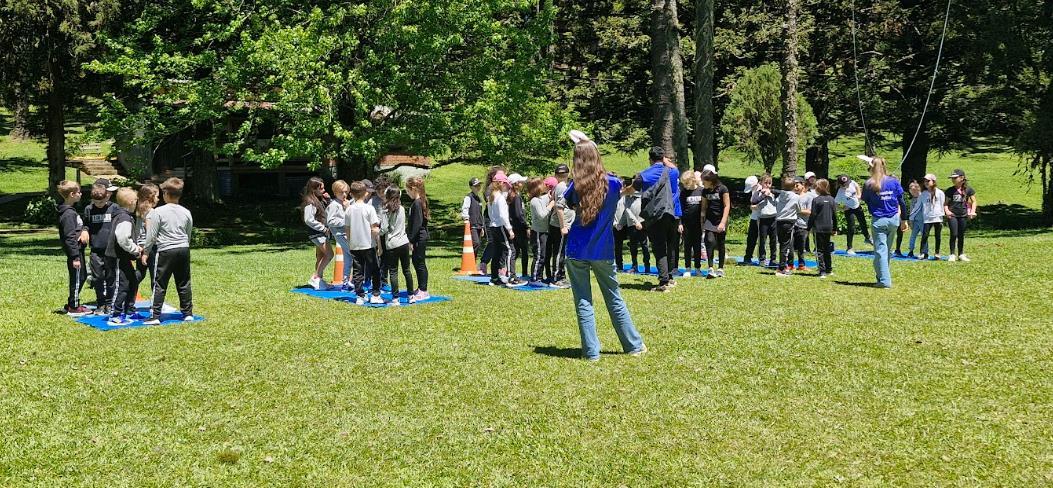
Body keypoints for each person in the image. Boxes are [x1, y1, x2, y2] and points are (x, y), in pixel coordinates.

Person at [562, 130, 646, 361]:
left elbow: (569, 204)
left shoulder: (576, 186)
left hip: (577, 248)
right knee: (614, 297)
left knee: (583, 300)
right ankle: (633, 345)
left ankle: (591, 352)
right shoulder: (614, 183)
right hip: (603, 249)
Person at [142, 177, 194, 324]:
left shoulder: (157, 212)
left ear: (165, 193)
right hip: (183, 249)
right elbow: (188, 232)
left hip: (165, 250)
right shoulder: (186, 212)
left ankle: (155, 316)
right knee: (184, 282)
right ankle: (188, 313)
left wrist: (146, 252)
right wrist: (184, 244)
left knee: (159, 283)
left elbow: (151, 235)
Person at [635, 146, 681, 292]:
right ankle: (670, 276)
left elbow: (635, 186)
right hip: (674, 213)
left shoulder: (645, 174)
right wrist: (665, 161)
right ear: (663, 158)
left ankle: (663, 281)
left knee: (659, 247)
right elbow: (675, 168)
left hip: (658, 213)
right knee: (670, 246)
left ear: (650, 159)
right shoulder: (673, 172)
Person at [861, 158, 906, 288]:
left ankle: (885, 281)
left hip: (879, 220)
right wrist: (904, 219)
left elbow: (866, 200)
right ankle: (880, 277)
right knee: (886, 251)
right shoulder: (893, 181)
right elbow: (901, 202)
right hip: (894, 220)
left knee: (881, 251)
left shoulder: (868, 184)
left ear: (871, 167)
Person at [106, 188, 143, 325]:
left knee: (132, 281)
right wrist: (135, 249)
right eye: (136, 200)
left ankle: (129, 310)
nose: (137, 203)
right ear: (130, 201)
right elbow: (123, 239)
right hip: (117, 257)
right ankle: (115, 313)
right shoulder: (124, 218)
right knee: (120, 285)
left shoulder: (123, 216)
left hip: (124, 257)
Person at [346, 181, 385, 305]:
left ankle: (360, 296)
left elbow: (347, 229)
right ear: (365, 193)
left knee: (358, 271)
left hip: (355, 245)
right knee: (375, 270)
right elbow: (374, 228)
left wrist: (349, 242)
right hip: (368, 244)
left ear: (351, 194)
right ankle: (375, 294)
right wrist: (379, 245)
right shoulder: (369, 208)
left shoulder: (349, 209)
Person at [83, 178, 118, 314]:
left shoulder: (114, 208)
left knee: (110, 277)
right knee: (97, 278)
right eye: (96, 202)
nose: (98, 204)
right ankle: (100, 303)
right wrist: (84, 231)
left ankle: (109, 303)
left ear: (107, 196)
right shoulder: (88, 209)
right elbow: (86, 224)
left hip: (111, 250)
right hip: (95, 250)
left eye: (101, 202)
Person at [56, 180, 90, 316]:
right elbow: (69, 237)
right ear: (72, 194)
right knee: (77, 278)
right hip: (75, 253)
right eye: (78, 192)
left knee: (82, 276)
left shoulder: (70, 211)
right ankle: (74, 307)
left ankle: (72, 303)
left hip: (78, 250)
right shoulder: (68, 214)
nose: (80, 194)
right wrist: (75, 257)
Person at [486, 171, 525, 287]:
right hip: (501, 226)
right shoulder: (500, 198)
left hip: (493, 226)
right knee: (510, 250)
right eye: (506, 184)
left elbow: (490, 213)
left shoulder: (491, 197)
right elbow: (503, 216)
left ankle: (494, 277)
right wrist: (510, 229)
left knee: (497, 252)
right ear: (501, 183)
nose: (507, 187)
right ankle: (511, 277)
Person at [379, 186, 414, 305]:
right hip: (404, 242)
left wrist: (377, 232)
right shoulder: (402, 208)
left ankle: (395, 298)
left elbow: (384, 229)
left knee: (393, 272)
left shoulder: (385, 210)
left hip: (392, 244)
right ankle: (411, 296)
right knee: (407, 270)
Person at [301, 177, 333, 290]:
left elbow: (327, 211)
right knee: (329, 255)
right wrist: (323, 228)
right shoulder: (310, 202)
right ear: (314, 189)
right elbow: (308, 219)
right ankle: (316, 277)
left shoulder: (319, 199)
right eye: (321, 188)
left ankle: (319, 281)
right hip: (317, 233)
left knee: (320, 257)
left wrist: (328, 200)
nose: (324, 190)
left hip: (320, 233)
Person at [405, 176, 432, 301]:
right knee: (416, 262)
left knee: (420, 263)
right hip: (419, 237)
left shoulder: (417, 203)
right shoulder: (419, 201)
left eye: (408, 190)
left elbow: (417, 224)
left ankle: (424, 290)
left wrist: (411, 239)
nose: (407, 193)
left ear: (414, 189)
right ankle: (421, 287)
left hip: (419, 238)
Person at [547, 164, 573, 288]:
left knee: (560, 251)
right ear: (568, 174)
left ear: (556, 175)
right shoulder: (563, 187)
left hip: (558, 224)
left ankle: (560, 275)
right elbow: (559, 207)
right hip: (560, 225)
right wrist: (563, 226)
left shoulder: (558, 186)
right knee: (559, 252)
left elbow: (552, 200)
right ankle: (557, 278)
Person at [700, 169, 730, 278]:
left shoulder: (723, 189)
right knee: (709, 240)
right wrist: (702, 218)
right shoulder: (705, 191)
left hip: (721, 219)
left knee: (721, 243)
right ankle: (710, 267)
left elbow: (727, 206)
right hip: (710, 220)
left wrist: (723, 222)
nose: (702, 183)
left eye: (704, 181)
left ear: (710, 180)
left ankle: (720, 268)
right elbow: (704, 206)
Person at [807, 179, 838, 278]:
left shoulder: (816, 200)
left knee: (819, 250)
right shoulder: (831, 199)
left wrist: (808, 227)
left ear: (819, 188)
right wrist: (835, 228)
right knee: (827, 249)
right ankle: (829, 269)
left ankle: (822, 271)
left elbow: (813, 215)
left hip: (818, 228)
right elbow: (835, 215)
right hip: (828, 227)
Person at [527, 177, 556, 286]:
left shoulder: (539, 199)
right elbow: (542, 215)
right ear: (536, 187)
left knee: (543, 256)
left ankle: (539, 277)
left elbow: (545, 200)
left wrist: (550, 197)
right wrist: (551, 205)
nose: (544, 185)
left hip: (543, 232)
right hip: (538, 233)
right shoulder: (534, 201)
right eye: (541, 184)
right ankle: (534, 279)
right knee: (539, 256)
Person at [326, 180, 354, 289]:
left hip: (346, 233)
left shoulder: (345, 203)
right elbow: (330, 221)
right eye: (341, 192)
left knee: (348, 257)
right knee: (354, 255)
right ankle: (352, 280)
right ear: (335, 192)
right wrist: (346, 222)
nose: (344, 194)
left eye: (346, 192)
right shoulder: (334, 205)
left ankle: (346, 281)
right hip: (340, 234)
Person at [944, 169, 977, 262]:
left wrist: (972, 212)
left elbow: (974, 201)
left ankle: (961, 254)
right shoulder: (950, 190)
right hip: (952, 215)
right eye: (952, 178)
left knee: (961, 235)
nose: (953, 180)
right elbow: (945, 204)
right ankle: (952, 254)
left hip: (963, 215)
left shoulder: (968, 189)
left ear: (962, 178)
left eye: (955, 178)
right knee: (954, 234)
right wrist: (947, 211)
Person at [134, 182, 160, 299]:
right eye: (157, 196)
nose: (158, 199)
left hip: (140, 246)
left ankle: (128, 293)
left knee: (140, 273)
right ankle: (156, 300)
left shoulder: (139, 210)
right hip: (150, 248)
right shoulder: (151, 212)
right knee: (155, 275)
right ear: (150, 197)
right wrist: (147, 251)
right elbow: (151, 232)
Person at [479, 166, 505, 276]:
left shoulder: (503, 188)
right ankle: (484, 263)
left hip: (499, 218)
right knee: (492, 242)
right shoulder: (490, 189)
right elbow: (490, 201)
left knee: (501, 243)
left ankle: (501, 266)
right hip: (490, 218)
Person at [836, 174, 872, 255]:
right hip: (849, 210)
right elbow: (835, 204)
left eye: (847, 183)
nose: (847, 185)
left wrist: (859, 194)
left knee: (863, 223)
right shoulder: (840, 192)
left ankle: (867, 238)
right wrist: (842, 208)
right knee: (851, 228)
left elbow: (857, 186)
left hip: (857, 206)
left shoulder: (852, 182)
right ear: (840, 184)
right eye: (844, 185)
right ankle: (849, 248)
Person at [774, 177, 802, 277]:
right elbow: (799, 209)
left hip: (779, 221)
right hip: (789, 222)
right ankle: (782, 268)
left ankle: (781, 266)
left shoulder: (779, 196)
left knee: (782, 244)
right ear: (794, 186)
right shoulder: (796, 197)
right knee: (786, 246)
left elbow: (776, 205)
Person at [679, 170, 704, 276]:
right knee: (687, 246)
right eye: (683, 184)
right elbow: (680, 208)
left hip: (698, 224)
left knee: (697, 246)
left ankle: (697, 268)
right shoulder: (683, 192)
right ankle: (688, 268)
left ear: (693, 180)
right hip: (686, 224)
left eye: (686, 183)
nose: (685, 186)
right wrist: (680, 223)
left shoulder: (701, 191)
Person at [751, 174, 779, 266]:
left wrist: (770, 192)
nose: (767, 185)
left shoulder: (774, 193)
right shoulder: (758, 192)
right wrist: (763, 195)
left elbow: (783, 193)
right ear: (761, 183)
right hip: (762, 219)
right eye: (765, 183)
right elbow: (753, 201)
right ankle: (762, 259)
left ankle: (773, 259)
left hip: (773, 218)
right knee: (762, 240)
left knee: (773, 240)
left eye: (769, 183)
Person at [508, 173, 530, 278]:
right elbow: (519, 214)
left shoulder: (510, 196)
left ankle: (510, 271)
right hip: (519, 228)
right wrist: (526, 226)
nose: (523, 184)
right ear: (516, 184)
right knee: (523, 250)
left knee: (515, 251)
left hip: (513, 227)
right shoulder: (516, 197)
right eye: (521, 182)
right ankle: (524, 273)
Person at [460, 177, 485, 271]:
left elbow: (480, 213)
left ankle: (472, 263)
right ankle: (470, 262)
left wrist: (482, 227)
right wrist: (466, 219)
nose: (478, 187)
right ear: (471, 187)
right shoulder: (468, 197)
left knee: (478, 244)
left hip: (478, 225)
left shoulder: (479, 199)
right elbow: (465, 209)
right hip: (472, 225)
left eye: (479, 185)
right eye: (476, 186)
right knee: (476, 243)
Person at [920, 173, 945, 261]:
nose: (926, 182)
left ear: (933, 181)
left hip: (938, 217)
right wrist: (911, 216)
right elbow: (920, 205)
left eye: (928, 181)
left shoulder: (940, 192)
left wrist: (942, 214)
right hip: (927, 218)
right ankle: (923, 253)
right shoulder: (923, 193)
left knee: (937, 236)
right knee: (925, 235)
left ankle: (937, 253)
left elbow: (942, 204)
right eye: (925, 181)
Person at [793, 176, 813, 270]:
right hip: (792, 224)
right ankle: (790, 264)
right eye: (794, 185)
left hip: (803, 225)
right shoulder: (792, 196)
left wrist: (798, 210)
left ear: (803, 185)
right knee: (790, 246)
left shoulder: (808, 197)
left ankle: (801, 264)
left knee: (801, 247)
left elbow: (809, 211)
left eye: (797, 185)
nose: (795, 187)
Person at [741, 175, 761, 265]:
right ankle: (748, 256)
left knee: (761, 239)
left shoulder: (761, 190)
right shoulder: (754, 191)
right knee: (751, 239)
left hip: (761, 218)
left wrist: (753, 206)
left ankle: (761, 258)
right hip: (754, 217)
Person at [903, 180, 926, 259]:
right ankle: (911, 250)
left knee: (924, 236)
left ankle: (924, 252)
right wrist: (911, 221)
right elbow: (911, 210)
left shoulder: (922, 197)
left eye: (913, 190)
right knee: (913, 236)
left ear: (918, 189)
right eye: (910, 190)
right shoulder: (913, 199)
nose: (912, 192)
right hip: (915, 221)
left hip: (923, 220)